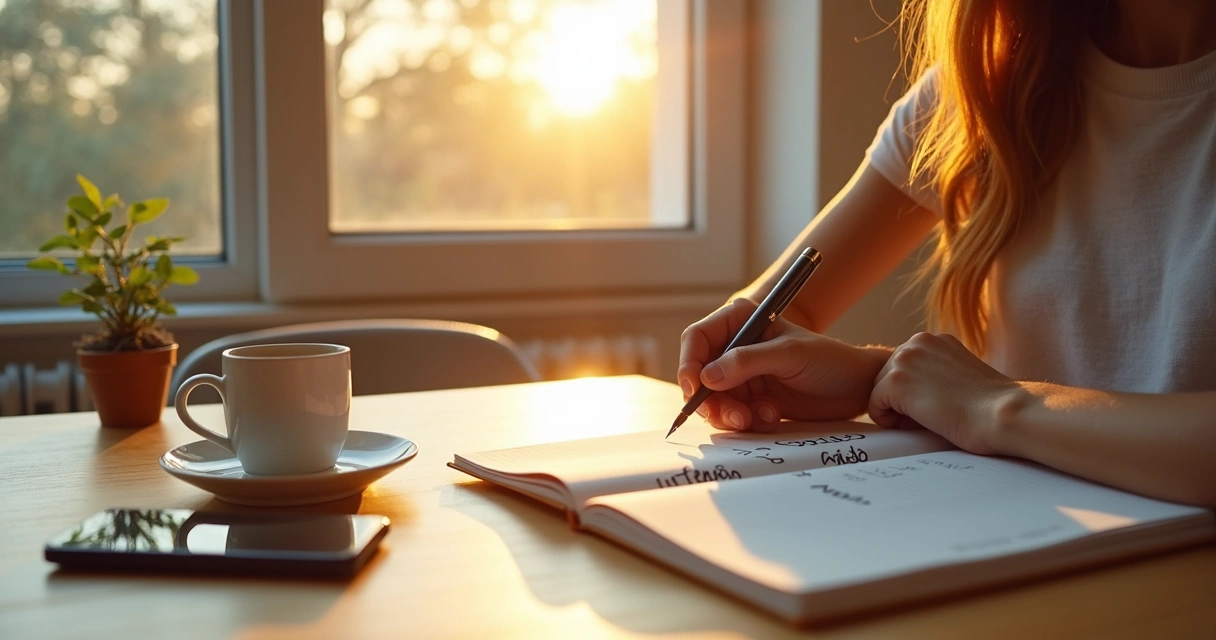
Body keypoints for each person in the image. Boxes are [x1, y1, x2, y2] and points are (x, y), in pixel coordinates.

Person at [677, 0, 1216, 508]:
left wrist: (996, 405)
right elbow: (775, 315)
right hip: (1007, 538)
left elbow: (982, 401)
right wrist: (882, 379)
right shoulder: (990, 83)